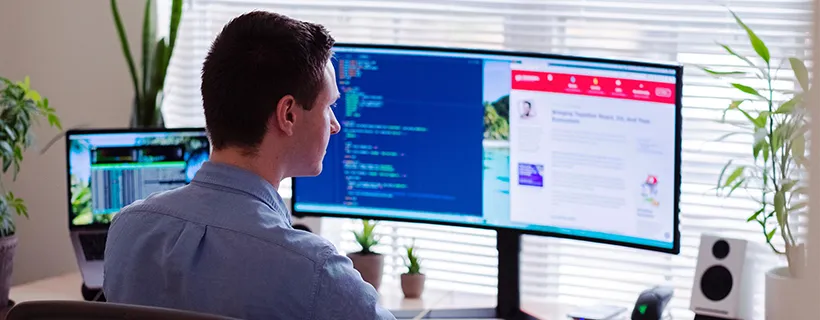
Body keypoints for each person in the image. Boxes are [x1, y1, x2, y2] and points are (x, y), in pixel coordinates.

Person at [103, 11, 396, 320]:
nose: (335, 125)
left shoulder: (128, 230)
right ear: (288, 115)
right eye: (329, 106)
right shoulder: (314, 270)